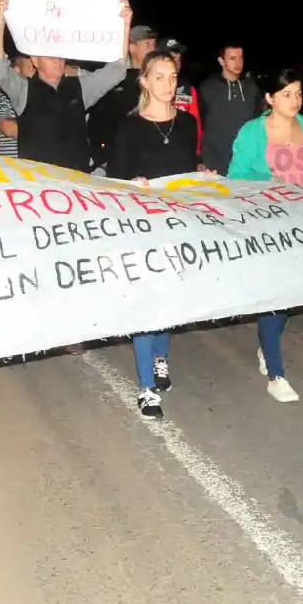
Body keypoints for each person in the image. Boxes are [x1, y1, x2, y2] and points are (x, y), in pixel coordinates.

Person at [227, 69, 303, 403]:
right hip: (266, 222)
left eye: (299, 93)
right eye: (286, 93)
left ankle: (267, 345)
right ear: (270, 97)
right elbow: (236, 178)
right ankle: (276, 374)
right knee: (275, 294)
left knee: (290, 295)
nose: (295, 100)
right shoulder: (252, 132)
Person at [107, 49, 198, 418]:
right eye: (159, 76)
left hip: (177, 225)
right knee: (146, 304)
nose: (168, 83)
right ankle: (146, 387)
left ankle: (161, 357)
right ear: (144, 81)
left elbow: (188, 174)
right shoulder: (130, 126)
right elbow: (115, 179)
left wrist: (202, 179)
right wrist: (133, 184)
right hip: (141, 227)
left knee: (171, 299)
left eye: (173, 76)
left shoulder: (188, 123)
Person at [0, 0, 130, 171]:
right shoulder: (24, 90)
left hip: (76, 183)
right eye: (50, 56)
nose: (58, 60)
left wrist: (125, 24)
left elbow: (117, 70)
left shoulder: (80, 87)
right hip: (39, 184)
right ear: (35, 61)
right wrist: (0, 19)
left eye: (60, 55)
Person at [87, 24, 157, 171]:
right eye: (147, 44)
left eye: (154, 44)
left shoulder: (158, 82)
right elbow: (96, 122)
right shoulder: (115, 80)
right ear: (132, 47)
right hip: (116, 163)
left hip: (148, 164)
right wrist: (103, 159)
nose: (153, 49)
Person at [198, 44, 261, 176]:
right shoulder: (208, 88)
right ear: (221, 61)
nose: (238, 63)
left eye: (240, 58)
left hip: (245, 162)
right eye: (232, 58)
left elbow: (258, 122)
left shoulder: (252, 88)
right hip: (215, 163)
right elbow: (199, 125)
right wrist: (200, 159)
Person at [160, 37, 203, 156]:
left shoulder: (188, 88)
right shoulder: (147, 86)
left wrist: (197, 154)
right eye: (172, 58)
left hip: (182, 154)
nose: (176, 62)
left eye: (179, 58)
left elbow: (196, 124)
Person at [0, 55, 35, 156]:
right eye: (31, 68)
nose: (36, 72)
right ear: (16, 71)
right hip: (11, 167)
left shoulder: (39, 95)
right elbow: (9, 129)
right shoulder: (0, 96)